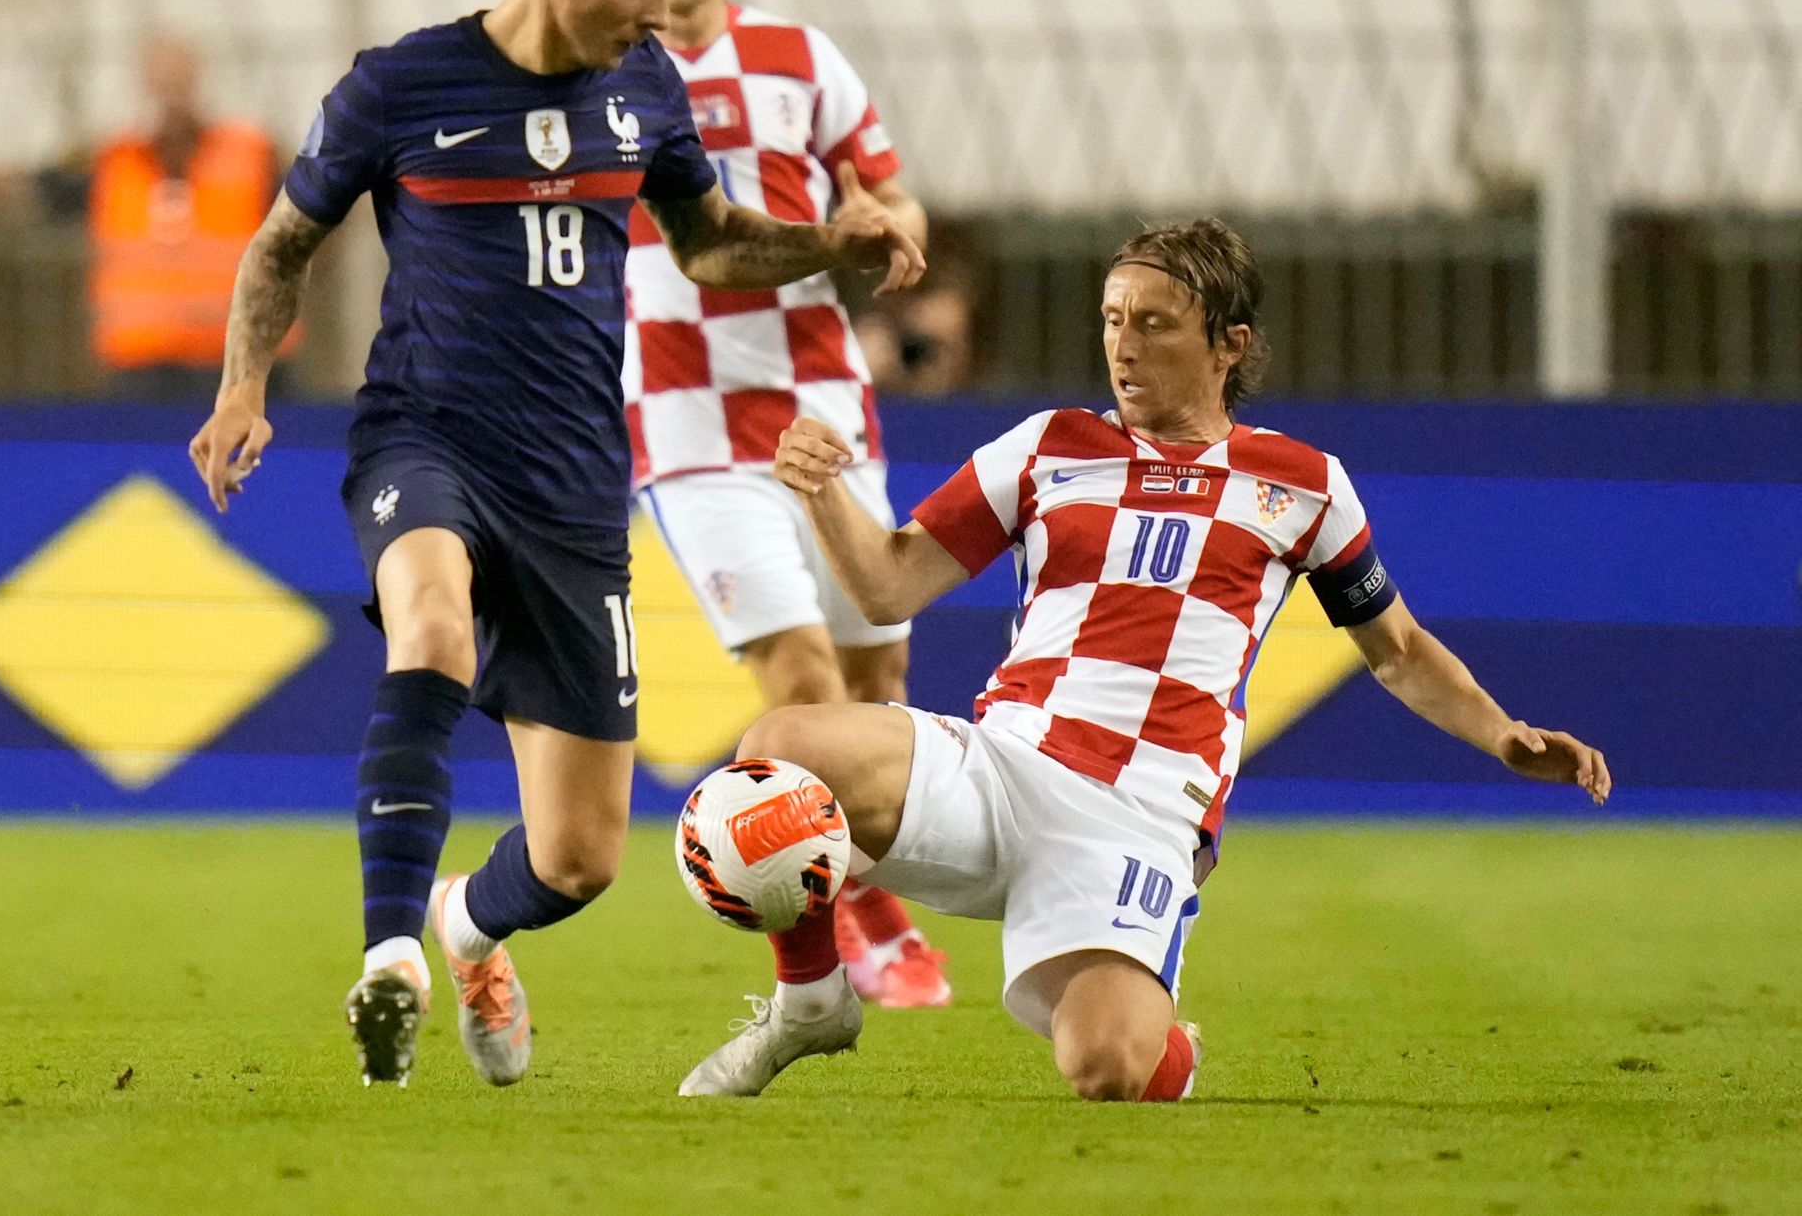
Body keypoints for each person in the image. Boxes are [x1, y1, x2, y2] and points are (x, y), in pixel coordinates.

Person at [186, 0, 924, 1090]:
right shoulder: (399, 85)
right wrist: (241, 387)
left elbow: (708, 246)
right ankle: (387, 958)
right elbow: (280, 247)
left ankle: (465, 925)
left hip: (577, 480)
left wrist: (826, 242)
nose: (656, 12)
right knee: (429, 627)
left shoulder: (641, 88)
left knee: (579, 856)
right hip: (423, 435)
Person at [679, 216, 1611, 1101]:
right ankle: (811, 1004)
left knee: (1108, 1072)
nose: (1124, 346)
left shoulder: (1303, 484)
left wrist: (1503, 736)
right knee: (781, 748)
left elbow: (1398, 649)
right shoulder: (1048, 448)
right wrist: (823, 491)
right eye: (1114, 321)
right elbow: (887, 588)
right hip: (1003, 766)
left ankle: (1164, 1031)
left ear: (1229, 345)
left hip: (1138, 815)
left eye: (1155, 325)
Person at [623, 0, 950, 1007]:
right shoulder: (604, 73)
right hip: (685, 423)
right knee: (800, 672)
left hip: (820, 404)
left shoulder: (799, 58)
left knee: (877, 670)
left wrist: (890, 221)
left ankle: (862, 881)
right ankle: (855, 919)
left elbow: (886, 183)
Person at [0, 35, 284, 403]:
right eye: (161, 85)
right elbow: (17, 187)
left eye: (179, 83)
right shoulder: (113, 164)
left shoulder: (252, 156)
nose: (170, 99)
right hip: (144, 373)